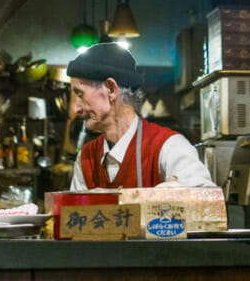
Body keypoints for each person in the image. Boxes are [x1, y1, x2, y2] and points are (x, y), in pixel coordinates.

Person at [67, 43, 215, 190]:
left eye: (80, 94)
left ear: (111, 89)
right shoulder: (87, 158)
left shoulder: (168, 147)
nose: (76, 109)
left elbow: (206, 204)